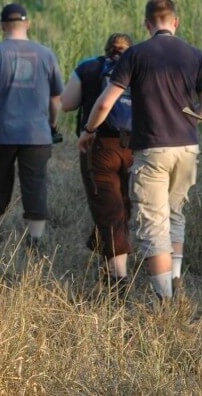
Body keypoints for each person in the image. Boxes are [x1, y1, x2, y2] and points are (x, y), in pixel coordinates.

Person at [78, 0, 202, 301]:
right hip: (187, 147)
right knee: (175, 213)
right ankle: (175, 278)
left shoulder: (136, 55)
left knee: (153, 222)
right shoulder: (196, 55)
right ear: (175, 22)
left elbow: (105, 102)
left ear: (147, 24)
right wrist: (187, 121)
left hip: (152, 148)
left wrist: (88, 132)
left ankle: (163, 299)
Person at [0, 3, 64, 248]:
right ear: (27, 24)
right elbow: (55, 99)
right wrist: (52, 122)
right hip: (37, 134)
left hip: (0, 132)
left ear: (2, 26)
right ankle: (35, 240)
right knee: (35, 183)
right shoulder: (46, 54)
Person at [61, 33, 134, 290]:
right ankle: (107, 264)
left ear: (106, 50)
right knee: (121, 204)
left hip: (98, 145)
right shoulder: (138, 67)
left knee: (108, 206)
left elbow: (67, 104)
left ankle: (118, 280)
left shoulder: (89, 67)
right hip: (133, 146)